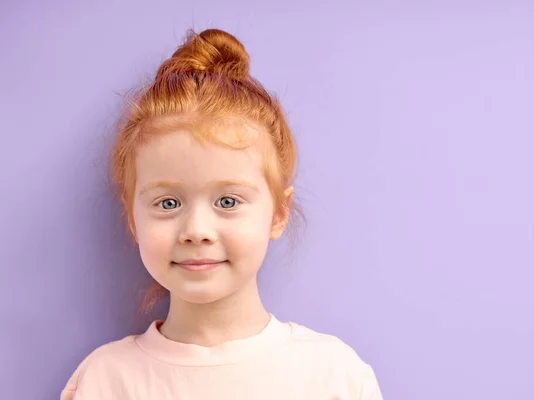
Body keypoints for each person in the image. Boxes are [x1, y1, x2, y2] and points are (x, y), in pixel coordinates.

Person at [61, 28, 383, 400]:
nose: (196, 231)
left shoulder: (333, 376)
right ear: (133, 219)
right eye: (168, 203)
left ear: (278, 213)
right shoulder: (106, 380)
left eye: (227, 202)